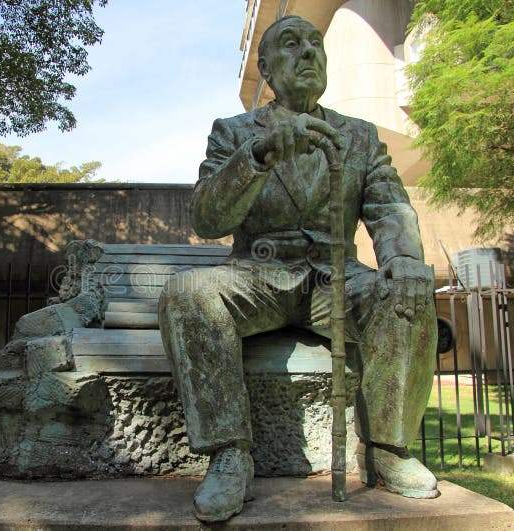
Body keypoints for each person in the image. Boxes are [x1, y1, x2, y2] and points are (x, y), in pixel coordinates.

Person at [158, 15, 438, 523]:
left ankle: (387, 449)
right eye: (291, 44)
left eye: (316, 44)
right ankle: (228, 455)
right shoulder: (234, 132)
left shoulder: (358, 136)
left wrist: (402, 259)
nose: (308, 52)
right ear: (264, 67)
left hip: (336, 277)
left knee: (406, 293)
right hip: (256, 274)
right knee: (187, 294)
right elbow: (207, 218)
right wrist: (257, 156)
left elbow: (389, 207)